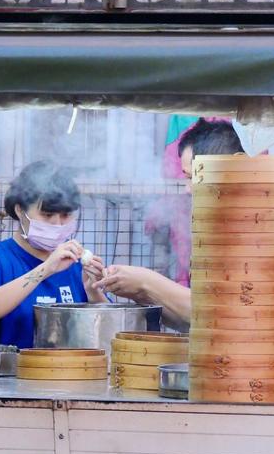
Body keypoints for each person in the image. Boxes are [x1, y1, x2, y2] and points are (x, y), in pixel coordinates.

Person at [95, 119, 243, 328]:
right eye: (186, 178)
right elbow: (190, 320)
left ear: (225, 171)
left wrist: (147, 281)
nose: (188, 189)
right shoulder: (211, 231)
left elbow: (219, 312)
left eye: (195, 177)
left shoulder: (249, 232)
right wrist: (141, 293)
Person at [0, 161, 106, 348]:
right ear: (20, 210)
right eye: (47, 215)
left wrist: (93, 291)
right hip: (8, 373)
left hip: (72, 372)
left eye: (65, 215)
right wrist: (46, 269)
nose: (57, 224)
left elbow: (105, 332)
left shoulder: (76, 265)